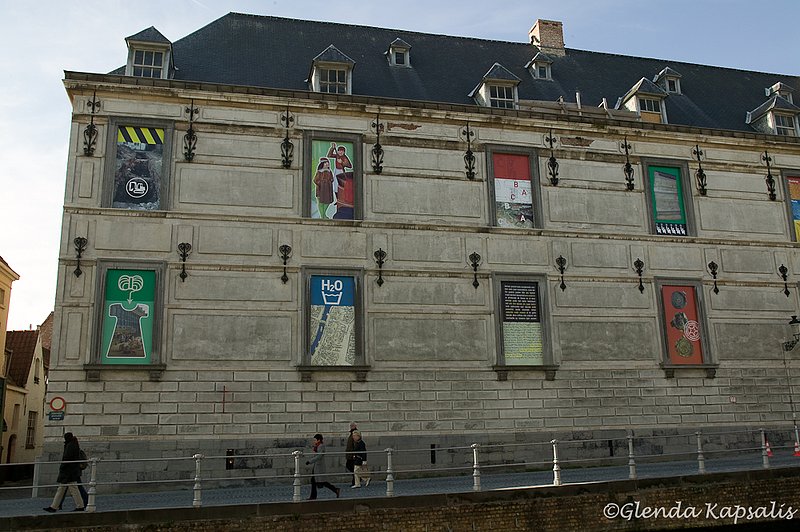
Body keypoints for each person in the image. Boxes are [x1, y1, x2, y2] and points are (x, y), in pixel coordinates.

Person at [43, 432, 86, 512]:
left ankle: (79, 506)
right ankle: (54, 507)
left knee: (70, 488)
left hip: (68, 472)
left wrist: (62, 467)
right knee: (65, 488)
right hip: (71, 471)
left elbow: (67, 458)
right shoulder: (73, 444)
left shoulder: (70, 445)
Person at [305, 434, 340, 500]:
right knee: (315, 481)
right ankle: (313, 496)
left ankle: (335, 489)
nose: (314, 441)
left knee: (321, 481)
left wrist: (310, 461)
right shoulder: (318, 446)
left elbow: (319, 456)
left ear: (319, 440)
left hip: (319, 466)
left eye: (315, 440)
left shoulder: (321, 446)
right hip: (316, 466)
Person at [57, 436, 88, 510]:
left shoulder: (72, 448)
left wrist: (62, 468)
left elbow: (68, 460)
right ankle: (58, 504)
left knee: (67, 488)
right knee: (65, 488)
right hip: (73, 472)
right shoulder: (76, 448)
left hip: (71, 473)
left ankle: (85, 503)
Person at [345, 421, 358, 486]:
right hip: (350, 454)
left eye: (352, 426)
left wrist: (354, 454)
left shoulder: (355, 433)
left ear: (355, 426)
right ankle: (356, 479)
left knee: (351, 467)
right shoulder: (352, 433)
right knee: (350, 466)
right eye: (350, 426)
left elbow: (355, 443)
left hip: (352, 454)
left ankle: (355, 481)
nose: (351, 427)